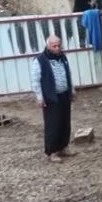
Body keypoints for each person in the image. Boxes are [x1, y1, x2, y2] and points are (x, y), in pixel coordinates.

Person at [31, 35, 74, 163]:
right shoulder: (40, 60)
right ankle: (51, 151)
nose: (56, 48)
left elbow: (68, 74)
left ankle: (63, 147)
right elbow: (35, 80)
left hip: (64, 94)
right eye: (53, 46)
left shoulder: (62, 57)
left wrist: (72, 90)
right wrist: (39, 97)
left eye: (58, 45)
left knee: (65, 123)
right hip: (50, 97)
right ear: (48, 46)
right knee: (53, 124)